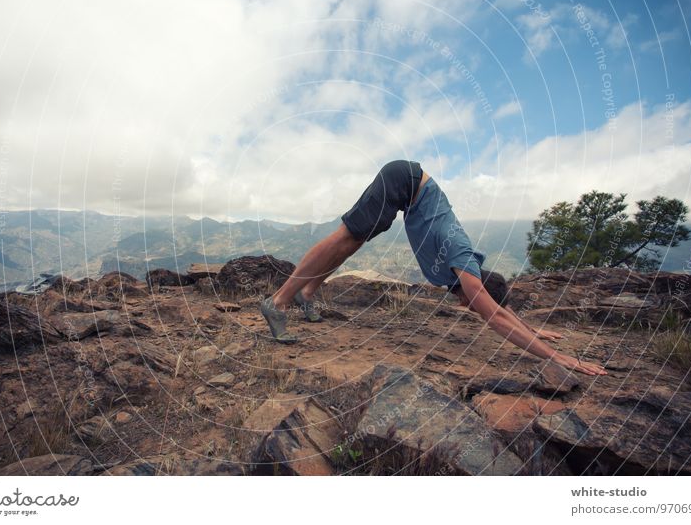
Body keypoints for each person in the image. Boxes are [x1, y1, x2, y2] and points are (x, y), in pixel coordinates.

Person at [260, 160, 607, 377]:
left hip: (406, 188)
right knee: (346, 235)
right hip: (403, 180)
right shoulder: (463, 266)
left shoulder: (466, 271)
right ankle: (279, 302)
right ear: (478, 291)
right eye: (474, 303)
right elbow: (496, 317)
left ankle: (307, 292)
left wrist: (536, 330)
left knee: (354, 242)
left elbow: (499, 310)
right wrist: (558, 357)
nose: (466, 308)